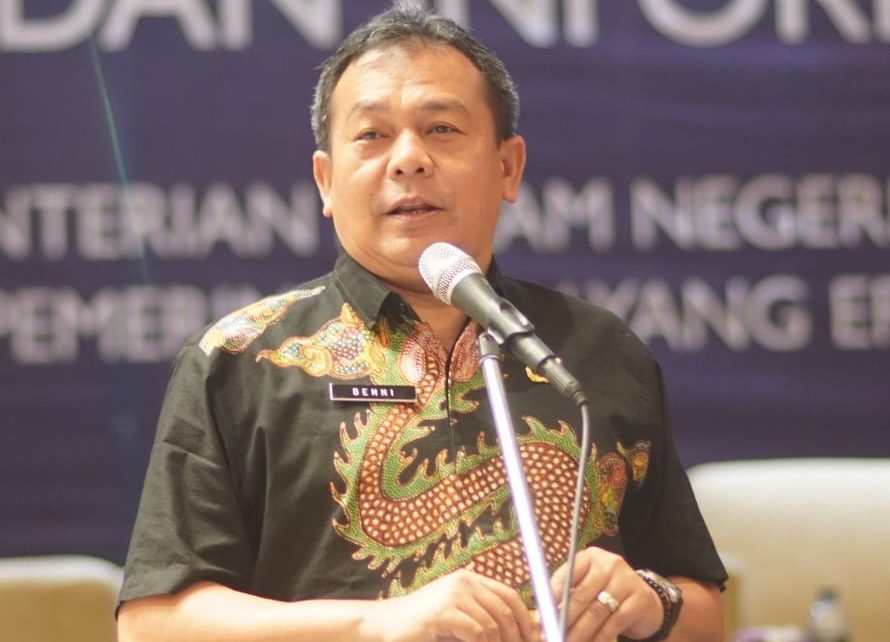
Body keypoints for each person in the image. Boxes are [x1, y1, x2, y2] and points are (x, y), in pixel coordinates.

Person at [117, 4, 727, 642]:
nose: (408, 159)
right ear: (326, 181)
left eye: (441, 128)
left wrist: (651, 600)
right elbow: (152, 624)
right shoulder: (240, 360)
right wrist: (374, 625)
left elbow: (706, 612)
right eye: (371, 136)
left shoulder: (594, 351)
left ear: (508, 167)